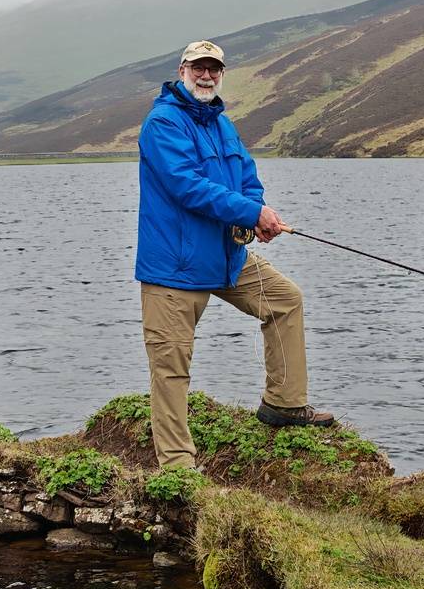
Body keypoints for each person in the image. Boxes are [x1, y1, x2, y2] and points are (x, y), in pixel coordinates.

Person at [135, 39, 335, 469]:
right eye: (198, 67)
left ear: (221, 74)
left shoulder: (221, 123)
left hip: (228, 256)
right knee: (171, 368)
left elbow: (246, 176)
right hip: (175, 268)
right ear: (182, 70)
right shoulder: (163, 123)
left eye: (214, 69)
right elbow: (187, 186)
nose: (206, 75)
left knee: (285, 300)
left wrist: (255, 215)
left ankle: (283, 404)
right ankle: (177, 468)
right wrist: (251, 211)